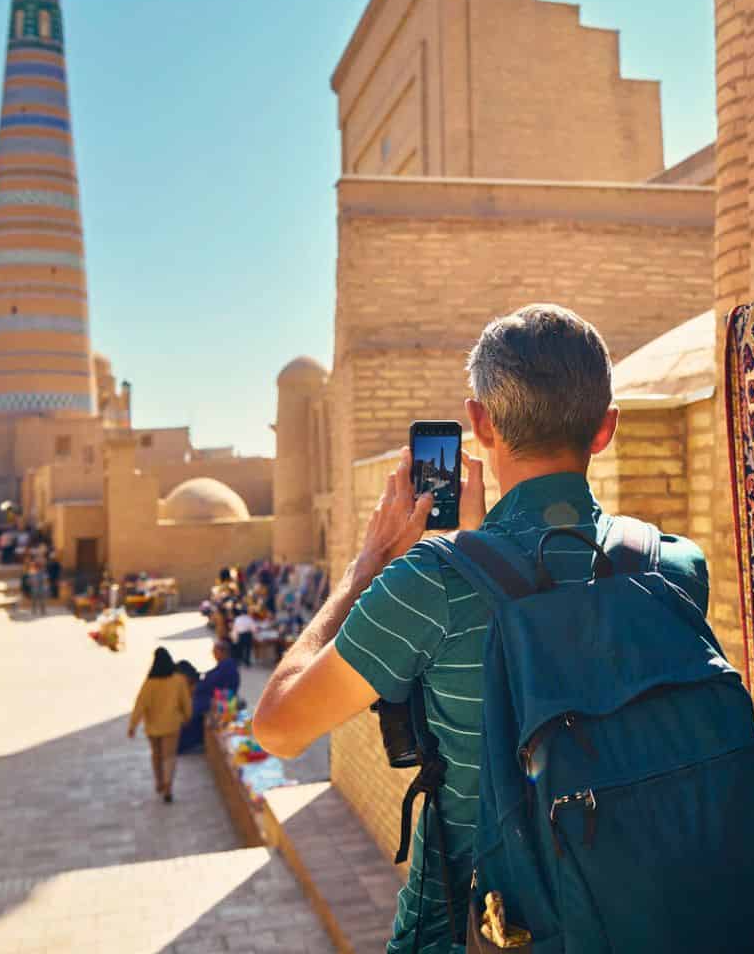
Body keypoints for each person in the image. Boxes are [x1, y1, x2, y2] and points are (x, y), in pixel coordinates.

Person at [253, 304, 713, 951]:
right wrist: (479, 550)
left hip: (481, 929)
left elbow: (276, 726)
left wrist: (363, 570)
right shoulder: (676, 566)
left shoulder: (427, 588)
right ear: (606, 429)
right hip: (637, 918)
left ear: (479, 423)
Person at [129, 647, 192, 803]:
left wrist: (133, 725)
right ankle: (168, 786)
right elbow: (186, 701)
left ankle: (159, 782)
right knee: (169, 756)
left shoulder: (149, 683)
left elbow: (140, 705)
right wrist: (187, 717)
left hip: (153, 727)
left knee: (156, 755)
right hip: (172, 725)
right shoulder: (178, 680)